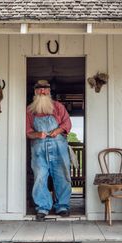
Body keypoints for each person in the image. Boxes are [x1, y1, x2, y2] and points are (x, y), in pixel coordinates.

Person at [26, 80, 72, 220]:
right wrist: (37, 134)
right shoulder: (30, 111)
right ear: (35, 92)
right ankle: (42, 207)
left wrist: (57, 130)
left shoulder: (58, 107)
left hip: (58, 146)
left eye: (45, 89)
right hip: (39, 148)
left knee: (62, 176)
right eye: (39, 89)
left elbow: (67, 123)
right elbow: (28, 131)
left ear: (49, 91)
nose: (42, 92)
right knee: (40, 177)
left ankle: (62, 206)